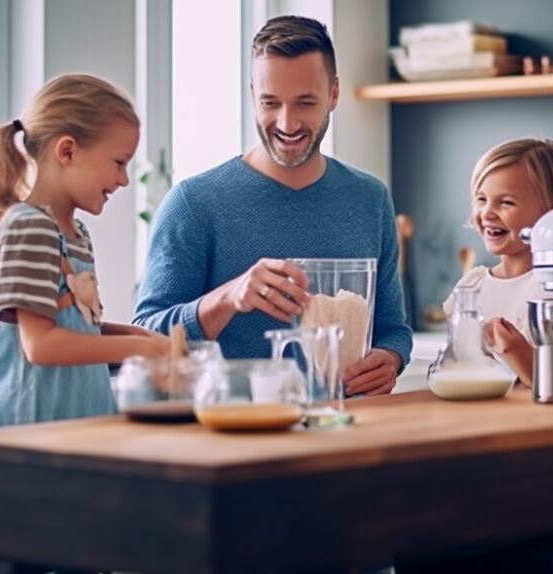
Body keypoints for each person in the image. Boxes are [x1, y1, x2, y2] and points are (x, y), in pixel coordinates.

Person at [133, 15, 412, 395]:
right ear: (252, 94)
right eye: (270, 102)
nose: (287, 122)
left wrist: (391, 358)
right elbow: (146, 335)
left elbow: (393, 329)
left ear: (333, 94)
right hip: (234, 435)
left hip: (345, 431)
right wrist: (227, 298)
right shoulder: (193, 204)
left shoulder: (370, 199)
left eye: (305, 102)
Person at [0, 74, 169, 430]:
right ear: (68, 151)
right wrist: (139, 350)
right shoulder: (28, 227)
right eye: (119, 162)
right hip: (28, 433)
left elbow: (73, 329)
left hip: (73, 427)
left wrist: (138, 336)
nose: (124, 180)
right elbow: (41, 345)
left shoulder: (75, 234)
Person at [442, 138, 553, 386]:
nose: (487, 213)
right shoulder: (472, 284)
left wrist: (516, 352)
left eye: (506, 202)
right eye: (481, 199)